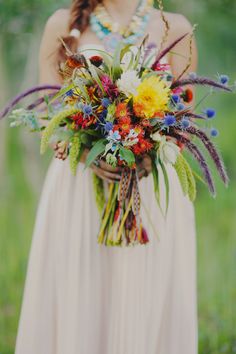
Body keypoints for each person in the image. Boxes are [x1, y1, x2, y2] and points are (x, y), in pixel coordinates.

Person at [15, 0, 198, 353]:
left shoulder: (175, 27)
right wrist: (87, 150)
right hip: (79, 185)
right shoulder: (62, 24)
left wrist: (145, 154)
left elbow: (185, 121)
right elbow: (44, 114)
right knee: (80, 289)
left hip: (150, 190)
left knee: (145, 291)